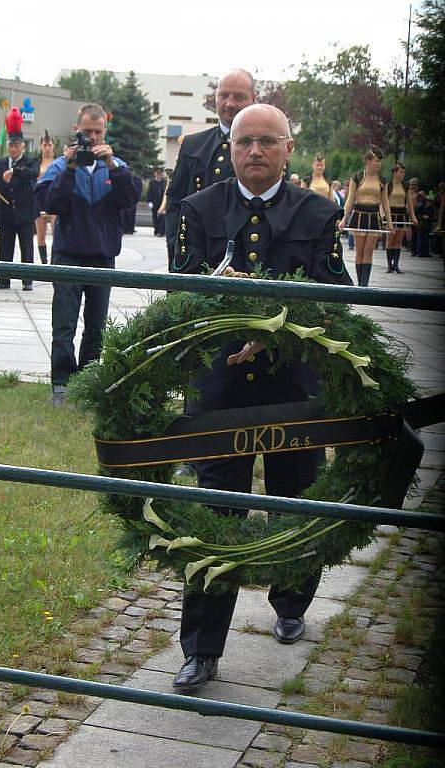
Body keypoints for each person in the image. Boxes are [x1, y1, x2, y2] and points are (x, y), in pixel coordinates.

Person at [171, 104, 352, 692]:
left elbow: (335, 293)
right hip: (220, 390)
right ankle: (201, 649)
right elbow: (179, 289)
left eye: (266, 142)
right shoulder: (198, 209)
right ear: (231, 148)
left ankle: (292, 601)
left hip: (293, 391)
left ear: (288, 148)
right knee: (213, 515)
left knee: (295, 501)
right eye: (244, 141)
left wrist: (274, 326)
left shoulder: (320, 211)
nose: (254, 151)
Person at [35, 103, 138, 406]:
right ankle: (62, 385)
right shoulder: (59, 166)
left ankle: (88, 382)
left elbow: (130, 198)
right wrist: (68, 167)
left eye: (98, 132)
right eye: (87, 131)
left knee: (96, 326)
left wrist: (112, 166)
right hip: (68, 258)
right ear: (76, 130)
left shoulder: (116, 165)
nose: (92, 137)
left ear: (105, 132)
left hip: (103, 258)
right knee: (64, 324)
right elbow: (49, 203)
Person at [165, 68, 256, 266]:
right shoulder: (192, 145)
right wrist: (177, 250)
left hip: (249, 261)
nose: (230, 103)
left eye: (239, 97)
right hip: (198, 256)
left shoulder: (268, 149)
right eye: (224, 95)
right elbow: (175, 201)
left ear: (253, 98)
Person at [0, 119, 39, 292]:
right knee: (5, 249)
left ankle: (27, 280)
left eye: (17, 145)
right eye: (11, 145)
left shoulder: (30, 161)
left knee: (27, 248)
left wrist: (15, 171)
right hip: (6, 213)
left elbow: (34, 173)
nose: (14, 148)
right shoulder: (1, 163)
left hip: (25, 213)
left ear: (22, 146)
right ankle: (4, 279)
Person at [339, 146, 394, 286]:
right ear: (368, 161)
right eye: (376, 161)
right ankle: (359, 283)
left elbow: (385, 203)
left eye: (380, 161)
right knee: (359, 251)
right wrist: (343, 219)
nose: (379, 164)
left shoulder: (382, 180)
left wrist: (390, 223)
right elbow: (350, 200)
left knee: (369, 252)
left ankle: (365, 284)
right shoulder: (357, 177)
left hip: (374, 216)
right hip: (359, 215)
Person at [385, 163, 417, 274]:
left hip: (402, 214)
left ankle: (396, 265)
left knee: (398, 240)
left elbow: (409, 203)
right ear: (395, 173)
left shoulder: (405, 186)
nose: (402, 174)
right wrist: (383, 215)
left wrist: (413, 217)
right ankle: (389, 265)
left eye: (403, 172)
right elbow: (384, 202)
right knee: (390, 240)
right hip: (391, 214)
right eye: (400, 172)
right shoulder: (388, 185)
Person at [35, 130, 56, 264]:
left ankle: (55, 260)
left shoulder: (58, 163)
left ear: (53, 146)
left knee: (56, 233)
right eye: (45, 145)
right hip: (40, 203)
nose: (47, 147)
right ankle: (44, 262)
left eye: (49, 145)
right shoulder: (37, 165)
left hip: (54, 201)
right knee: (40, 235)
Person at [414, 191, 435, 258]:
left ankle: (425, 253)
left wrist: (428, 217)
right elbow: (417, 212)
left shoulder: (430, 207)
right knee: (420, 239)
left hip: (426, 225)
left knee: (425, 240)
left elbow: (432, 216)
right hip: (421, 224)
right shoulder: (421, 205)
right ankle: (420, 252)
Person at [147, 168, 167, 236]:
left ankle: (161, 231)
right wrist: (149, 201)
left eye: (160, 173)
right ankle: (156, 229)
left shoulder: (163, 182)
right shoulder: (152, 182)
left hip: (162, 203)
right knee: (155, 217)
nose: (159, 175)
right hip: (154, 202)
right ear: (155, 174)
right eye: (157, 173)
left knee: (161, 217)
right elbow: (149, 192)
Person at [408, 177, 419, 256]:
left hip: (419, 216)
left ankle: (417, 250)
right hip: (410, 217)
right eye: (411, 184)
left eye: (414, 184)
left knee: (417, 234)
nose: (412, 186)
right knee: (412, 234)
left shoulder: (420, 194)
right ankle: (413, 250)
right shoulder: (408, 194)